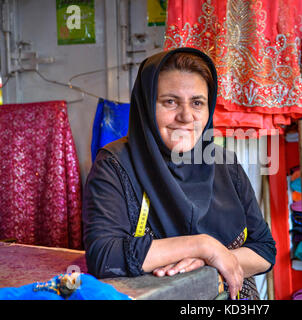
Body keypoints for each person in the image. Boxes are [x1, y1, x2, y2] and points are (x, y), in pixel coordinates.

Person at [82, 47, 276, 300]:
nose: (186, 116)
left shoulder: (225, 164)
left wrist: (207, 265)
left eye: (197, 103)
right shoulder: (115, 165)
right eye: (170, 102)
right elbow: (104, 256)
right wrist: (203, 246)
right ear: (146, 106)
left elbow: (264, 250)